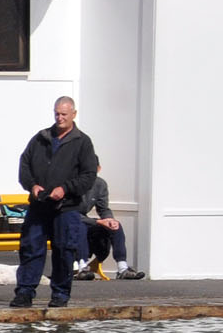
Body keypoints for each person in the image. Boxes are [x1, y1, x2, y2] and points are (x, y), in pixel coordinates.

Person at [15, 96, 99, 308]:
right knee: (31, 248)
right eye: (57, 114)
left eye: (64, 114)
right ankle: (25, 292)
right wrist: (32, 186)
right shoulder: (40, 138)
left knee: (64, 250)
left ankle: (60, 294)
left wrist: (66, 189)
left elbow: (88, 175)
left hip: (66, 208)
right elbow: (24, 165)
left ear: (73, 115)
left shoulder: (83, 142)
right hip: (39, 206)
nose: (59, 118)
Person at [78, 165, 145, 280]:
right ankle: (81, 268)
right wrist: (99, 222)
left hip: (85, 220)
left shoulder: (100, 184)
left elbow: (103, 208)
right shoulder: (70, 184)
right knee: (80, 226)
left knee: (115, 226)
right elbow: (68, 214)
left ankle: (122, 268)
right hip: (68, 221)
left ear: (98, 168)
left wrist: (109, 219)